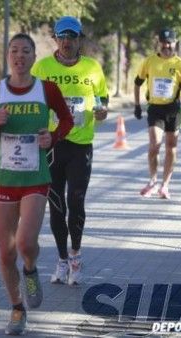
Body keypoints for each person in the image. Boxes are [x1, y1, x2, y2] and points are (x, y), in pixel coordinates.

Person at [0, 33, 73, 335]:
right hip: (5, 180)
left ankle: (30, 270)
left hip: (35, 178)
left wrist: (52, 137)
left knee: (24, 243)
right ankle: (17, 309)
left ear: (34, 57)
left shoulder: (47, 89)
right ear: (8, 56)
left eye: (26, 51)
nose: (19, 56)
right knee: (5, 252)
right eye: (14, 51)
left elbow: (67, 120)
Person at [31, 16, 109, 286]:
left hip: (80, 144)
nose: (66, 42)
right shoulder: (42, 68)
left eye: (72, 37)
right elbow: (32, 103)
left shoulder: (92, 68)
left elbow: (102, 102)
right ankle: (62, 259)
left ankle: (76, 255)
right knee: (56, 206)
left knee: (76, 202)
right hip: (52, 146)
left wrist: (101, 112)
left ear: (80, 40)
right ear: (55, 38)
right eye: (62, 37)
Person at [134, 28, 181, 200]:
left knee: (171, 147)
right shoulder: (149, 61)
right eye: (163, 42)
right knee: (154, 145)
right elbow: (137, 83)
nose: (166, 45)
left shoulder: (180, 64)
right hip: (156, 109)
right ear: (158, 43)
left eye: (169, 42)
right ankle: (152, 181)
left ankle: (165, 185)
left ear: (175, 43)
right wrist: (137, 105)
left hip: (173, 109)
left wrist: (180, 101)